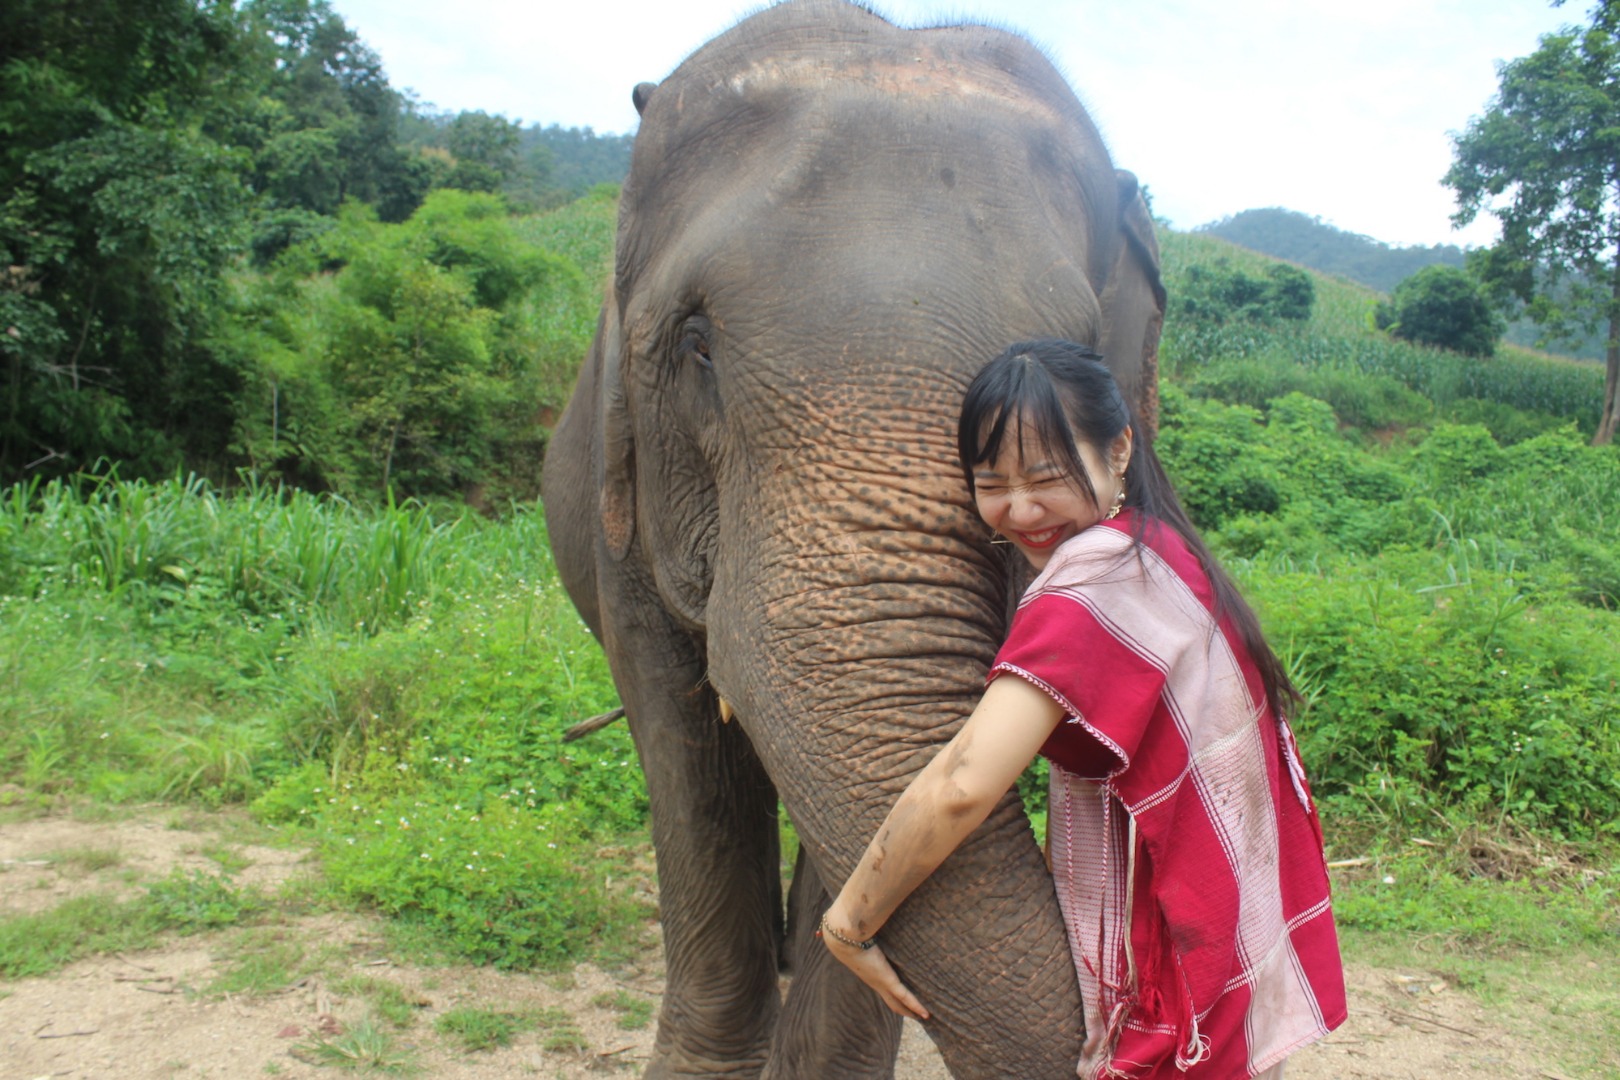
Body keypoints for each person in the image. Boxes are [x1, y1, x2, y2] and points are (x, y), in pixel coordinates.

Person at [820, 340, 1346, 1079]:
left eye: (1047, 476)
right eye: (991, 482)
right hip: (1228, 928)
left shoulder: (1093, 579)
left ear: (1120, 448)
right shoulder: (1160, 549)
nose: (1021, 509)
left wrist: (849, 921)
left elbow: (962, 784)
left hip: (1172, 954)